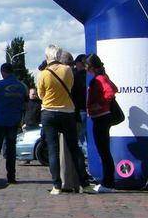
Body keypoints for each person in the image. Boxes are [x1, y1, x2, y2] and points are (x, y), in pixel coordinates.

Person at [37, 45, 95, 195]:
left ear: (47, 56)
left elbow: (41, 95)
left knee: (53, 150)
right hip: (67, 111)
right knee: (74, 149)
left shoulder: (43, 74)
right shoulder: (67, 70)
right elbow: (69, 86)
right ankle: (85, 183)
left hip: (49, 112)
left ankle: (57, 185)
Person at [0, 63, 27, 184]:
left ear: (2, 72)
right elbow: (25, 102)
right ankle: (11, 176)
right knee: (11, 149)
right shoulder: (21, 86)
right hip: (14, 121)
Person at [85, 54, 118, 193]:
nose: (86, 68)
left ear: (91, 67)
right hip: (100, 117)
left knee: (104, 151)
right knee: (103, 151)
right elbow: (114, 88)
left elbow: (110, 92)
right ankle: (108, 181)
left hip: (101, 117)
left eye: (87, 66)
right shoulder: (102, 77)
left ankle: (108, 183)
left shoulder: (100, 78)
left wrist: (99, 105)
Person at [72, 54, 88, 147]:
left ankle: (84, 153)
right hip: (88, 109)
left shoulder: (76, 76)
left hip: (80, 109)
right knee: (87, 136)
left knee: (81, 138)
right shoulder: (89, 75)